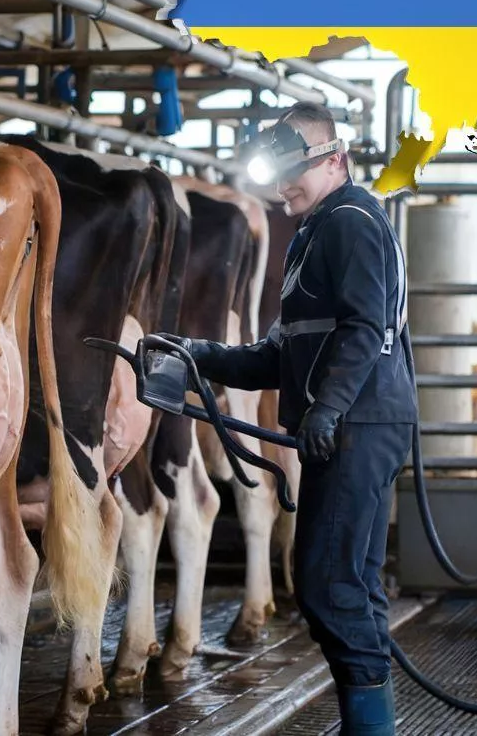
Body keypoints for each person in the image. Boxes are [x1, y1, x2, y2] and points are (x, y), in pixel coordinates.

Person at [166, 102, 418, 735]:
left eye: (292, 172)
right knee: (349, 584)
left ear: (334, 158)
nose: (282, 187)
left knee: (327, 584)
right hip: (347, 424)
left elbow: (366, 327)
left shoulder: (353, 221)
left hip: (359, 424)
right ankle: (368, 723)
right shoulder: (313, 231)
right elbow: (280, 353)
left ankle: (370, 727)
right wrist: (200, 357)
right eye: (275, 173)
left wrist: (329, 409)